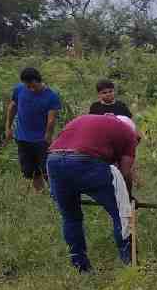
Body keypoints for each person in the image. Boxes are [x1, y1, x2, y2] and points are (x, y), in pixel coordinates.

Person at [46, 114, 141, 272]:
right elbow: (124, 172)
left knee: (71, 218)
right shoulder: (129, 133)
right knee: (123, 215)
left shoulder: (85, 120)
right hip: (84, 162)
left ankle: (81, 268)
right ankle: (131, 266)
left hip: (54, 161)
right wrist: (128, 199)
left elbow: (62, 147)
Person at [5, 67, 62, 193]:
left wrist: (48, 135)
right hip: (22, 138)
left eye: (33, 86)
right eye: (28, 86)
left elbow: (51, 119)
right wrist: (8, 127)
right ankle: (40, 193)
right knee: (30, 170)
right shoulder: (19, 89)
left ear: (39, 81)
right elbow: (12, 107)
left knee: (47, 169)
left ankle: (55, 194)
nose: (31, 89)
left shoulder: (51, 96)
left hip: (41, 140)